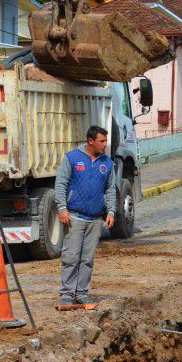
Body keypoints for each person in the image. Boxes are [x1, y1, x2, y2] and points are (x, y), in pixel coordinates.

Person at [55, 125, 116, 307]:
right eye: (102, 141)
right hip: (75, 217)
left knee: (87, 259)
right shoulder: (72, 158)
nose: (105, 145)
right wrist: (62, 209)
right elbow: (60, 184)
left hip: (95, 219)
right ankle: (67, 294)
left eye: (106, 141)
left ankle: (82, 293)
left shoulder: (107, 164)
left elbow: (111, 189)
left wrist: (111, 211)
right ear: (91, 141)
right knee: (71, 257)